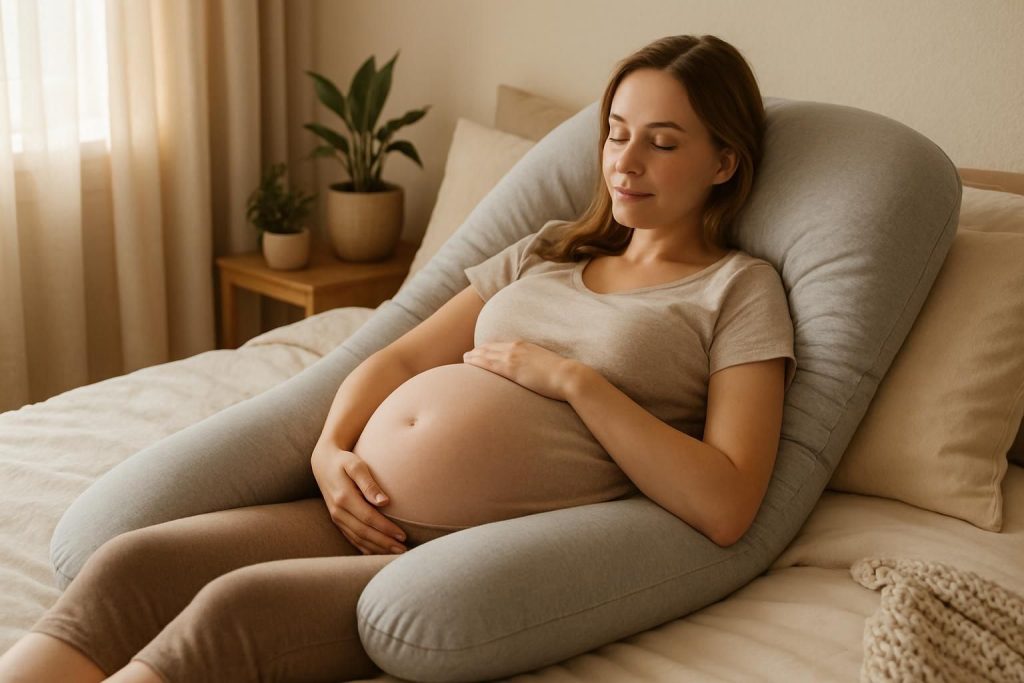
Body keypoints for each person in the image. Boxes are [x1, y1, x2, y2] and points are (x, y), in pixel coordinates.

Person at [0, 33, 794, 683]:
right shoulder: (548, 251)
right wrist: (330, 447)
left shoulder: (737, 290)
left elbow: (726, 499)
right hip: (354, 511)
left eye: (662, 143)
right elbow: (400, 358)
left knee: (232, 611)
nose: (626, 162)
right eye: (617, 134)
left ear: (724, 162)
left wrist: (574, 382)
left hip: (456, 553)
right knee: (131, 565)